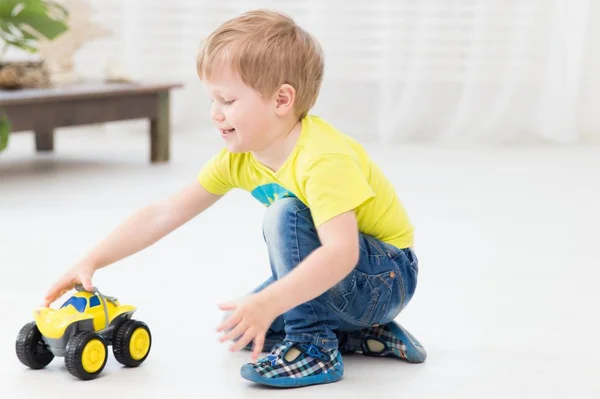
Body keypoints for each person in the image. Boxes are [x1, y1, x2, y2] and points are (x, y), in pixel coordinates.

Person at [43, 9, 426, 388]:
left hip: (386, 277)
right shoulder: (239, 159)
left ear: (281, 100)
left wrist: (272, 300)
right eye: (212, 100)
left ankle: (314, 348)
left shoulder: (323, 160)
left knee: (286, 214)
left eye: (226, 100)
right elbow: (165, 213)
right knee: (245, 328)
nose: (214, 113)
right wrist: (92, 259)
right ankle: (363, 335)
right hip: (355, 286)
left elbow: (342, 253)